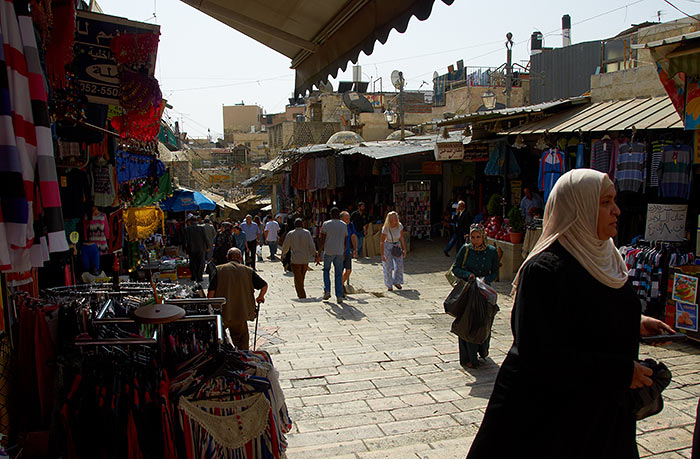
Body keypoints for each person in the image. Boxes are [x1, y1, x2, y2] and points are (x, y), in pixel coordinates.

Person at [466, 169, 676, 459]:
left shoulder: (607, 257)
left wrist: (634, 323)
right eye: (604, 202)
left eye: (614, 201)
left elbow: (591, 312)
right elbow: (540, 354)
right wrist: (620, 372)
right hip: (555, 421)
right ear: (579, 207)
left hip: (603, 413)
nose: (616, 210)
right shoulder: (545, 271)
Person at [452, 224, 499, 369]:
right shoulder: (465, 249)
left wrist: (486, 279)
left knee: (484, 322)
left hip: (484, 292)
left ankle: (482, 350)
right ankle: (469, 357)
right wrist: (468, 275)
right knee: (468, 322)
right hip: (469, 291)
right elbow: (456, 268)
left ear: (483, 237)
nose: (475, 240)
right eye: (473, 237)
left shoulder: (491, 251)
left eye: (478, 237)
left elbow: (495, 272)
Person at [207, 248, 267, 350]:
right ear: (240, 258)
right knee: (241, 342)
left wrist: (210, 308)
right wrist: (260, 297)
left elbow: (210, 294)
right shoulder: (248, 271)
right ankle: (243, 359)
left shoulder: (218, 270)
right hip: (240, 313)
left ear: (227, 258)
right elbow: (264, 285)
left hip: (222, 313)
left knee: (218, 340)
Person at [316, 207, 348, 303]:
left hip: (329, 251)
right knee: (338, 274)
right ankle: (339, 296)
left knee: (326, 271)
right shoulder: (343, 225)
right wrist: (344, 251)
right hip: (339, 251)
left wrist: (319, 253)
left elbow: (322, 240)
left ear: (330, 214)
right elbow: (346, 240)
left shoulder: (326, 224)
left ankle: (327, 290)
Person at [281, 218, 317, 299]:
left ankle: (301, 294)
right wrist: (314, 254)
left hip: (295, 259)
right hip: (305, 259)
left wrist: (283, 254)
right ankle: (301, 293)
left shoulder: (291, 234)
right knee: (301, 277)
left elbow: (286, 246)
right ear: (302, 224)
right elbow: (311, 245)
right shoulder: (307, 233)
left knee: (297, 278)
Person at [381, 211, 406, 291]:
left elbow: (402, 238)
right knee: (388, 266)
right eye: (393, 218)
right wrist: (382, 254)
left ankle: (397, 281)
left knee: (399, 265)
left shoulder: (400, 226)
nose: (395, 219)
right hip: (388, 245)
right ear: (389, 219)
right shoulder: (386, 228)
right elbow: (382, 241)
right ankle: (389, 284)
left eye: (396, 217)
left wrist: (404, 249)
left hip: (397, 245)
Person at [183, 216, 209, 283]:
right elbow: (205, 238)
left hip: (191, 249)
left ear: (191, 221)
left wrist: (185, 249)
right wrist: (208, 246)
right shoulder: (201, 228)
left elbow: (185, 240)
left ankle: (194, 276)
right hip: (200, 248)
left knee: (193, 263)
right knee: (201, 263)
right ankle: (199, 277)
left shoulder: (187, 229)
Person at [340, 211, 358, 294]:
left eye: (349, 218)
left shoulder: (350, 226)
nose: (348, 220)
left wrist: (355, 248)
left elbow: (353, 236)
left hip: (347, 252)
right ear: (341, 219)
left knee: (348, 270)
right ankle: (340, 287)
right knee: (339, 271)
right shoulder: (338, 226)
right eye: (346, 218)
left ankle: (340, 284)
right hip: (339, 252)